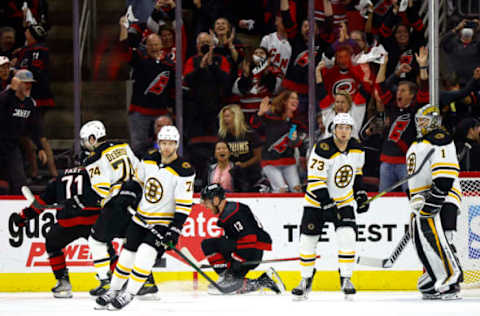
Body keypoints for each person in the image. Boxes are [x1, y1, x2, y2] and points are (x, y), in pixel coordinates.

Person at [95, 126, 195, 310]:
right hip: (140, 218)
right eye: (163, 143)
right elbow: (137, 182)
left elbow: (184, 205)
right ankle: (114, 290)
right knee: (126, 256)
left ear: (177, 144)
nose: (166, 147)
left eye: (170, 143)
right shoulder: (149, 159)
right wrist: (127, 195)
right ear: (159, 143)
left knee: (145, 257)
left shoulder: (184, 171)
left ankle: (129, 293)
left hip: (162, 223)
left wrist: (174, 230)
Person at [292, 113, 368, 300]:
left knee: (348, 237)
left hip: (343, 201)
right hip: (316, 202)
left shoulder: (357, 148)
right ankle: (306, 279)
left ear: (352, 130)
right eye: (340, 128)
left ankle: (346, 278)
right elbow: (316, 182)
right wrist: (327, 204)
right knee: (307, 241)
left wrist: (359, 194)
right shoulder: (323, 148)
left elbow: (356, 174)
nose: (343, 131)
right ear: (333, 130)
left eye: (347, 128)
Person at [10, 167, 110, 298]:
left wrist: (23, 216)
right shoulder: (95, 172)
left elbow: (41, 203)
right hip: (92, 221)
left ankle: (63, 284)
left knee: (52, 244)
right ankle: (113, 282)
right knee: (105, 248)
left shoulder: (61, 175)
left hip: (67, 223)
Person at [406, 104, 463, 300]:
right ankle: (434, 277)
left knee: (443, 238)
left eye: (424, 120)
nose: (420, 124)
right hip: (422, 200)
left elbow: (445, 176)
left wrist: (435, 197)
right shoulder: (417, 143)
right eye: (418, 120)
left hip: (443, 196)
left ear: (434, 120)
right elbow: (414, 178)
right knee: (420, 241)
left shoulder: (439, 138)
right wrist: (414, 199)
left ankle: (451, 279)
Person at [80, 120, 141, 296]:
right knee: (129, 241)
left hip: (116, 203)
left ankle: (105, 281)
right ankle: (145, 282)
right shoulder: (124, 145)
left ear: (92, 138)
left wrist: (96, 201)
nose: (85, 145)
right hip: (135, 198)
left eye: (85, 140)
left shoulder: (93, 158)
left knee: (96, 241)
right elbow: (139, 170)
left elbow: (101, 189)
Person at [199, 183, 284, 295]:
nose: (205, 206)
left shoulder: (233, 212)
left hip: (251, 251)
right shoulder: (229, 210)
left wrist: (235, 264)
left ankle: (230, 277)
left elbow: (250, 239)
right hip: (248, 249)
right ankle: (263, 281)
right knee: (210, 244)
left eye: (207, 202)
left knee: (210, 245)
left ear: (215, 200)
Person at [0, 70, 47, 194]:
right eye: (25, 83)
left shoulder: (29, 104)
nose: (28, 86)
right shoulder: (7, 97)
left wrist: (40, 148)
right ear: (17, 83)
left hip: (12, 147)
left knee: (19, 181)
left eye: (30, 83)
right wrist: (11, 91)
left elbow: (34, 128)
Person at [250, 92, 305, 193]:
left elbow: (296, 142)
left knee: (297, 190)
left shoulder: (295, 121)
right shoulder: (271, 116)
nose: (295, 101)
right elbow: (255, 126)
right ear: (284, 101)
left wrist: (296, 141)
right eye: (292, 98)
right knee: (281, 190)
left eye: (297, 99)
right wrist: (260, 113)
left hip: (289, 161)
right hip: (270, 162)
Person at [217, 104, 263, 192]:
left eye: (227, 116)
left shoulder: (250, 134)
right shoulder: (223, 136)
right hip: (231, 174)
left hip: (252, 173)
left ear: (236, 116)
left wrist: (244, 165)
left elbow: (258, 156)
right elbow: (219, 156)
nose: (225, 119)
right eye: (223, 117)